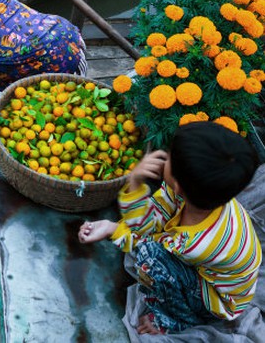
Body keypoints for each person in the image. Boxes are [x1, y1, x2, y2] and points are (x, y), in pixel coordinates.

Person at [78, 122, 262, 335]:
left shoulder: (194, 244)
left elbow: (147, 240)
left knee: (150, 258)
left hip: (217, 299)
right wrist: (117, 225)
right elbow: (153, 220)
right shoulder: (204, 197)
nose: (164, 156)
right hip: (222, 274)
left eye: (170, 158)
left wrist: (117, 223)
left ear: (178, 184)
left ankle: (176, 320)